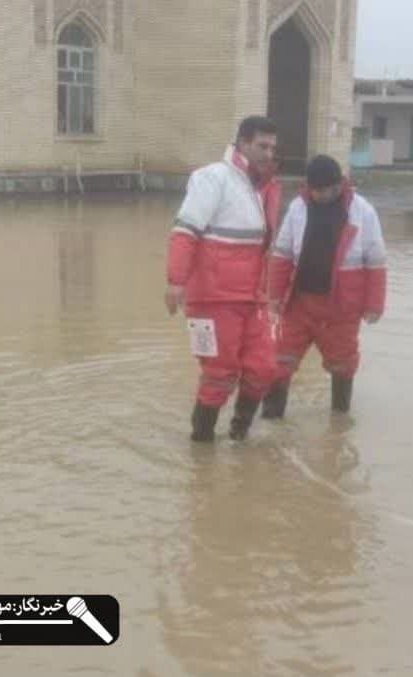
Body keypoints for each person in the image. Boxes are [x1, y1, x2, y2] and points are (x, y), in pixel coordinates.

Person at [165, 116, 283, 442]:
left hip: (252, 298)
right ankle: (201, 448)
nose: (268, 153)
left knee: (264, 369)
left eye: (272, 147)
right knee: (219, 375)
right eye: (262, 146)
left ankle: (238, 435)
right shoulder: (212, 178)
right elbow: (184, 231)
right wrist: (176, 281)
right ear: (242, 143)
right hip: (213, 299)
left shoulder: (264, 187)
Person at [263, 154, 386, 418]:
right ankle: (271, 420)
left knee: (343, 365)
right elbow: (282, 254)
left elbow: (376, 261)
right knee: (278, 363)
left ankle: (339, 423)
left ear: (339, 184)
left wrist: (374, 305)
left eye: (325, 189)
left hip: (341, 309)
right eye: (315, 189)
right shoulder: (298, 207)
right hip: (299, 304)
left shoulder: (363, 211)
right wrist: (273, 295)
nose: (319, 195)